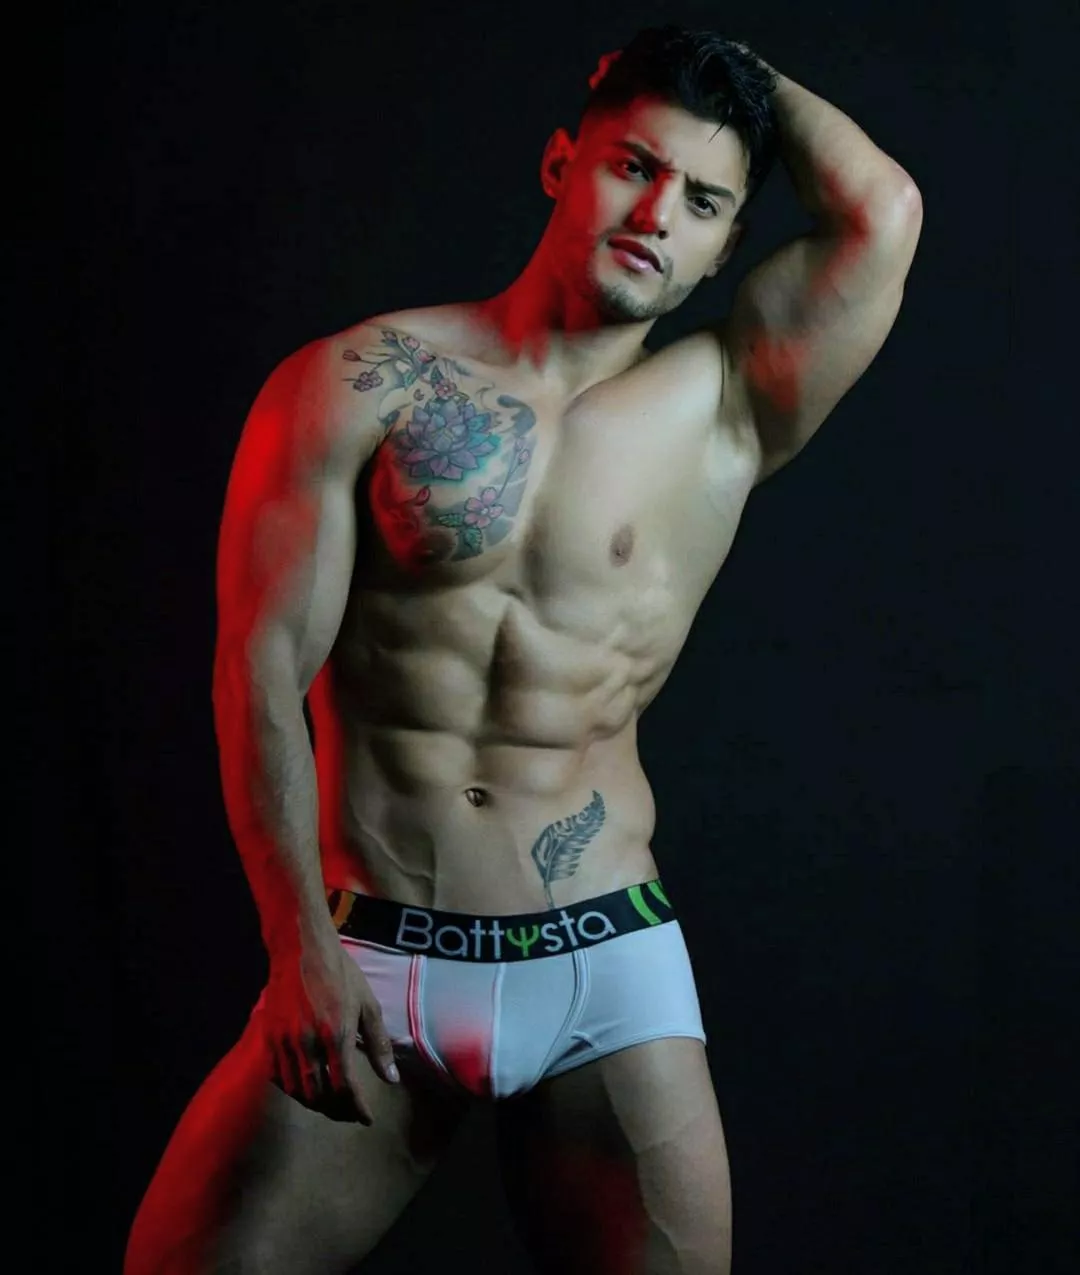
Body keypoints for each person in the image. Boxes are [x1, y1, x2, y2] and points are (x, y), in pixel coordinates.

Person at [125, 24, 922, 1275]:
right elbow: (260, 672)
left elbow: (883, 209)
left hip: (604, 962)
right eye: (634, 166)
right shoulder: (361, 382)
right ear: (562, 164)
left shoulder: (729, 404)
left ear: (726, 247)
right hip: (375, 953)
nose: (658, 214)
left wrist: (731, 65)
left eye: (704, 200)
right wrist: (295, 948)